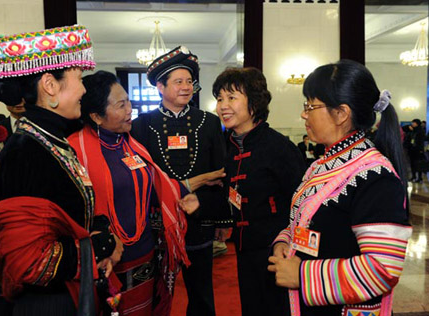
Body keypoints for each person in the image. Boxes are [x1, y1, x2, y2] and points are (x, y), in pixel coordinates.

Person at [0, 25, 123, 315]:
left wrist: (100, 232)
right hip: (50, 303)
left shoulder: (51, 140)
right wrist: (97, 247)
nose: (84, 89)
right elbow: (31, 261)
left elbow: (68, 211)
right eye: (79, 79)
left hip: (73, 292)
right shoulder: (23, 154)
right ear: (50, 86)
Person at [68, 70, 224, 315]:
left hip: (146, 252)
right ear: (97, 116)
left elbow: (158, 187)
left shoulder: (130, 144)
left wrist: (197, 186)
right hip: (109, 256)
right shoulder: (75, 150)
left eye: (129, 101)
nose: (130, 108)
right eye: (121, 105)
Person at [268, 60, 412, 316]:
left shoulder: (375, 175)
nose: (304, 114)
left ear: (342, 113)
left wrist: (301, 275)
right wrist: (285, 241)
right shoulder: (323, 163)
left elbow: (382, 269)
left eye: (310, 106)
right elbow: (306, 221)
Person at [131, 46, 229, 316]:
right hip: (158, 224)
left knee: (202, 292)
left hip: (200, 220)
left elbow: (221, 173)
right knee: (156, 291)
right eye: (178, 82)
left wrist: (221, 220)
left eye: (189, 81)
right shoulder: (142, 125)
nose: (186, 87)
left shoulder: (208, 122)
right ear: (160, 87)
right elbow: (140, 177)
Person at [213, 67, 305, 316]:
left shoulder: (278, 147)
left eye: (231, 97)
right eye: (220, 98)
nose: (223, 106)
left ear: (254, 102)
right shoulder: (225, 145)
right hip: (243, 248)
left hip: (276, 250)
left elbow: (303, 200)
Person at [408, 118, 426, 183]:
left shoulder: (421, 131)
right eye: (412, 122)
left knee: (419, 164)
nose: (413, 124)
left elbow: (421, 141)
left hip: (418, 150)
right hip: (411, 150)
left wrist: (421, 150)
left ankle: (420, 177)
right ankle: (413, 176)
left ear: (417, 124)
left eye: (414, 123)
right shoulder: (412, 130)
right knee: (412, 164)